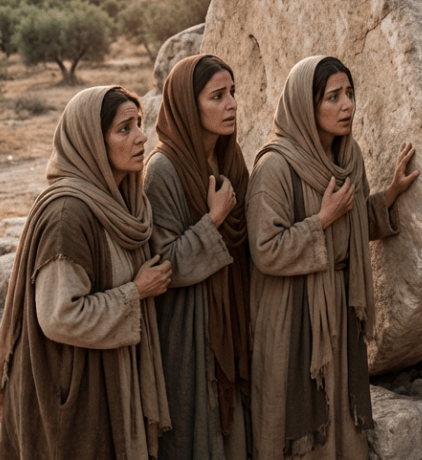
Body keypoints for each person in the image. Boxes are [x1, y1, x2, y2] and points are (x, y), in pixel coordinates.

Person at [247, 55, 419, 459]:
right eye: (333, 96)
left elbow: (352, 228)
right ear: (306, 106)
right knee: (297, 413)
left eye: (350, 93)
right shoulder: (275, 167)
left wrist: (389, 196)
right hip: (292, 313)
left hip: (338, 305)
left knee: (339, 409)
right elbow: (265, 250)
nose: (347, 105)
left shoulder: (348, 157)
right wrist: (320, 219)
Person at [0, 85, 173, 459]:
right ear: (91, 142)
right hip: (71, 386)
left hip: (106, 375)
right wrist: (135, 292)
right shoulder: (68, 214)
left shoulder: (118, 202)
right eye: (124, 129)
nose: (141, 137)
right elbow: (60, 316)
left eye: (138, 124)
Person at [143, 54, 251, 459]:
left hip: (232, 314)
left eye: (233, 93)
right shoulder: (162, 170)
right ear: (189, 105)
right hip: (188, 326)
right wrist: (214, 218)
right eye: (218, 96)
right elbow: (165, 262)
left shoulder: (228, 159)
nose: (232, 104)